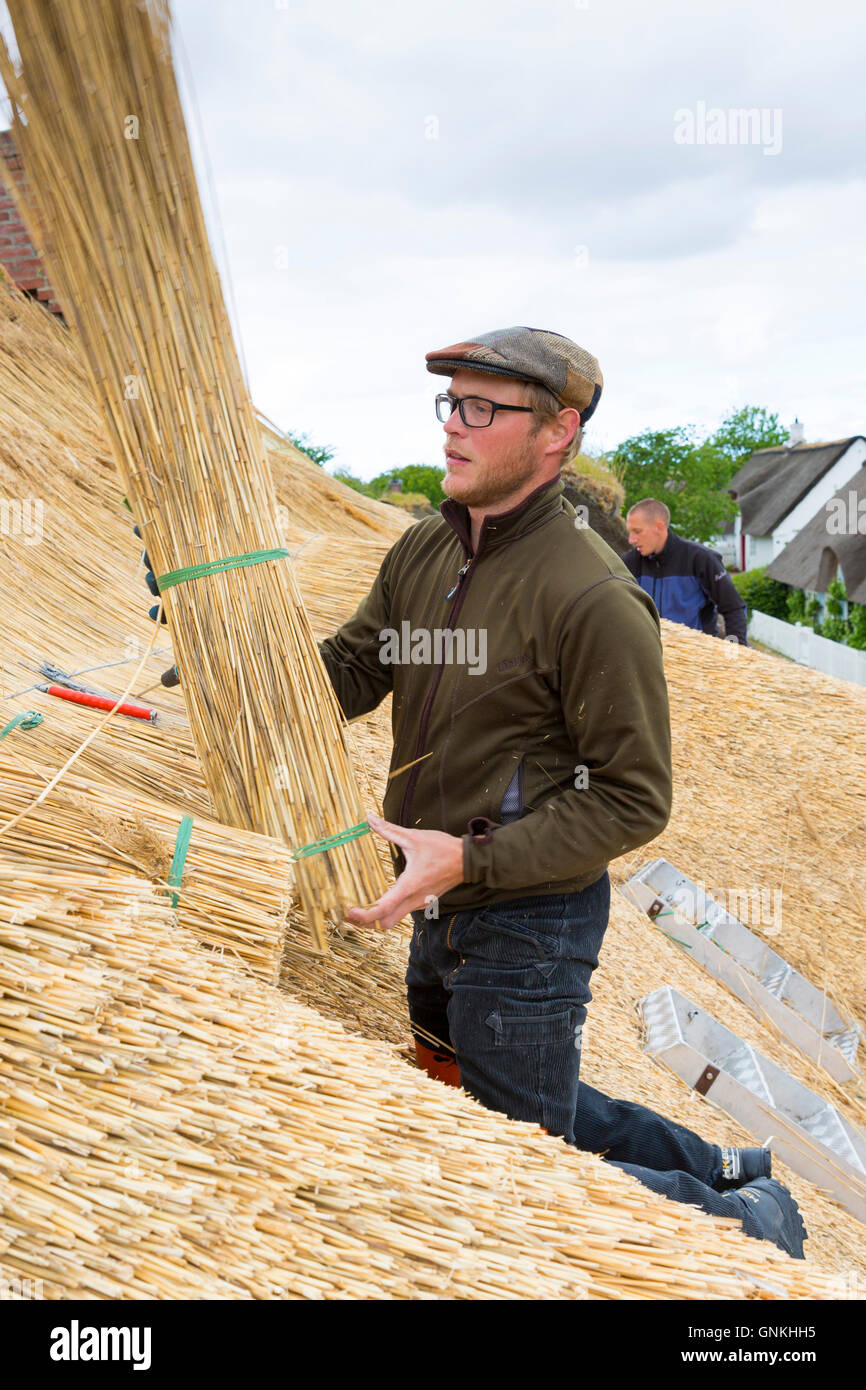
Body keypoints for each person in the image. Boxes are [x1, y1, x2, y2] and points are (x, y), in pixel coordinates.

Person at [142, 326, 805, 1259]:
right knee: (494, 1093)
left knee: (519, 1167)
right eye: (451, 403)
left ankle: (748, 1222)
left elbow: (632, 797)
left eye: (483, 408)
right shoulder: (425, 551)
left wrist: (474, 857)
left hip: (529, 924)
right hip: (436, 898)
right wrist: (227, 660)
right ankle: (722, 1165)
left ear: (556, 433)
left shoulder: (593, 596)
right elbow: (353, 671)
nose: (455, 426)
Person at [623, 499, 748, 644]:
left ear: (659, 526)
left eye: (637, 531)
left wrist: (735, 653)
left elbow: (734, 608)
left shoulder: (701, 558)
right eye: (630, 532)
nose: (631, 540)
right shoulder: (628, 563)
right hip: (649, 657)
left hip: (698, 657)